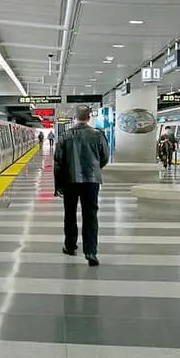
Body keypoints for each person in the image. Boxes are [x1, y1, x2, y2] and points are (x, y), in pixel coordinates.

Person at [53, 106, 110, 266]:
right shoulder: (98, 135)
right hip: (92, 182)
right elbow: (104, 157)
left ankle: (70, 246)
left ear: (74, 118)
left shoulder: (65, 135)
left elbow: (58, 161)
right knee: (90, 216)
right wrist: (94, 169)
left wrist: (58, 185)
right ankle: (91, 252)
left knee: (70, 214)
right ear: (89, 117)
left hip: (70, 181)